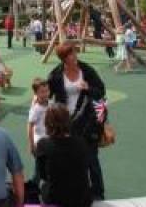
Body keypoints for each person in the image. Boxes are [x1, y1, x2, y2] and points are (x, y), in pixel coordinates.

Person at [47, 42, 107, 200]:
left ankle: (98, 192)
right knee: (70, 159)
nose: (75, 56)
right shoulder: (57, 74)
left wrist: (88, 88)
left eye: (74, 53)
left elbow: (101, 91)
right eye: (70, 54)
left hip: (88, 122)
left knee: (91, 158)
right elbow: (47, 92)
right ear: (64, 58)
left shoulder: (86, 70)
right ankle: (75, 192)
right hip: (66, 124)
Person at [35, 103, 93, 207]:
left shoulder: (43, 145)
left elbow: (43, 175)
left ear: (47, 123)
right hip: (83, 199)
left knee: (42, 185)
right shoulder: (82, 142)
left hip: (56, 199)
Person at [27, 78, 50, 161]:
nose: (46, 94)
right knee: (41, 166)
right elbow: (30, 127)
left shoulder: (50, 103)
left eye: (47, 91)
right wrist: (32, 144)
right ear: (36, 93)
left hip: (50, 139)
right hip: (40, 141)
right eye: (42, 92)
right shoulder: (36, 109)